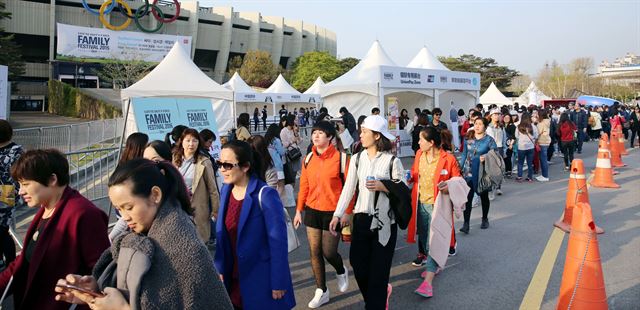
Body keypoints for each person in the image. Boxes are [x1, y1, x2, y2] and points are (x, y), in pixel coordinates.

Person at [55, 159, 233, 310]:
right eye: (119, 209)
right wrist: (95, 289)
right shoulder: (143, 237)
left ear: (155, 195)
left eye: (129, 207)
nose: (125, 217)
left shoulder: (184, 250)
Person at [0, 149, 109, 309]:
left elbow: (102, 270)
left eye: (26, 184)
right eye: (19, 184)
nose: (21, 191)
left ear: (52, 179)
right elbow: (25, 259)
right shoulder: (46, 208)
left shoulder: (83, 213)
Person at [329, 115, 405, 309]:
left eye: (364, 132)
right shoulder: (356, 159)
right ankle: (376, 297)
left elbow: (403, 189)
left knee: (379, 273)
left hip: (385, 223)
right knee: (358, 265)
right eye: (361, 131)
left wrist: (384, 185)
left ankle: (375, 303)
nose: (360, 135)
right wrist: (338, 214)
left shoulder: (392, 161)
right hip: (361, 219)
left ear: (377, 136)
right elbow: (349, 188)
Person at [215, 140, 296, 310]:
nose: (222, 169)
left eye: (227, 165)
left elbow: (278, 243)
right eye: (220, 163)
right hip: (233, 278)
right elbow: (222, 237)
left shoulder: (265, 195)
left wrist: (279, 281)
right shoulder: (225, 191)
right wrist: (219, 267)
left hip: (261, 280)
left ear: (245, 167)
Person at [293, 121, 350, 308]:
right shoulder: (308, 158)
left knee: (329, 252)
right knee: (314, 251)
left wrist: (346, 213)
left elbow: (351, 189)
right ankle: (322, 290)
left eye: (320, 133)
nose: (316, 136)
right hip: (312, 209)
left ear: (330, 137)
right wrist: (299, 210)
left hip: (334, 212)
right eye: (314, 133)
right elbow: (304, 186)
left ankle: (341, 269)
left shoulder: (342, 159)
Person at [409, 127, 461, 298]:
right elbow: (415, 175)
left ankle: (428, 283)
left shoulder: (448, 159)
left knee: (434, 242)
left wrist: (448, 187)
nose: (418, 143)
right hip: (420, 203)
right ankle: (434, 264)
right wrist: (409, 176)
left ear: (431, 143)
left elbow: (458, 180)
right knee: (424, 239)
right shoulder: (419, 155)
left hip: (439, 206)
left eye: (421, 140)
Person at [172, 128, 220, 243]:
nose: (191, 144)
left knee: (199, 242)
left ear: (199, 143)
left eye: (194, 141)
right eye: (188, 140)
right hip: (178, 207)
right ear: (181, 142)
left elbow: (213, 189)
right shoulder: (174, 159)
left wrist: (215, 210)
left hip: (197, 208)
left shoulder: (204, 161)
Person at [459, 117, 497, 234]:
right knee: (467, 198)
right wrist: (459, 169)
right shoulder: (468, 139)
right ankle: (466, 223)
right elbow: (464, 155)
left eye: (480, 124)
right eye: (476, 124)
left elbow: (495, 154)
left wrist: (486, 157)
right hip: (468, 171)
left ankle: (485, 218)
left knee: (484, 196)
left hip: (482, 172)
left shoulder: (489, 140)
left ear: (485, 126)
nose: (477, 126)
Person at [0, 120, 23, 267]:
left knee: (1, 230)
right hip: (8, 192)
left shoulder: (14, 152)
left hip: (6, 193)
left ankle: (10, 263)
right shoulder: (17, 151)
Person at [485, 109, 505, 197]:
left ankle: (498, 187)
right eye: (495, 114)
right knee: (492, 169)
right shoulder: (488, 127)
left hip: (500, 148)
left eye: (498, 114)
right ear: (491, 116)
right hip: (491, 149)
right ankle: (491, 188)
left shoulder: (501, 126)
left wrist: (505, 149)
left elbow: (504, 138)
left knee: (500, 168)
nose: (497, 116)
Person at [265, 123, 287, 198]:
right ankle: (275, 201)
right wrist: (284, 147)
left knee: (272, 186)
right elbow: (282, 152)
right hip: (278, 166)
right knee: (281, 185)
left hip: (269, 167)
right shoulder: (276, 140)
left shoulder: (266, 141)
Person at [515, 113, 539, 182]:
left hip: (521, 147)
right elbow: (536, 136)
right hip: (530, 147)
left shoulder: (518, 127)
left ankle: (520, 176)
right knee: (530, 163)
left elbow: (516, 136)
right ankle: (530, 177)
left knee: (520, 162)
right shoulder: (533, 126)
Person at [536, 110, 552, 182]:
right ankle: (544, 175)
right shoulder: (547, 121)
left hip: (542, 141)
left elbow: (537, 133)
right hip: (546, 141)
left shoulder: (541, 123)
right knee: (543, 160)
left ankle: (545, 176)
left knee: (543, 160)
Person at [503, 113, 516, 178]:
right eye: (505, 117)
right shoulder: (502, 125)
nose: (506, 119)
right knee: (504, 158)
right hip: (503, 144)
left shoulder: (512, 126)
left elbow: (514, 136)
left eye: (508, 118)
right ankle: (505, 171)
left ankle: (509, 171)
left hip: (509, 144)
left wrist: (511, 144)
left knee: (508, 158)